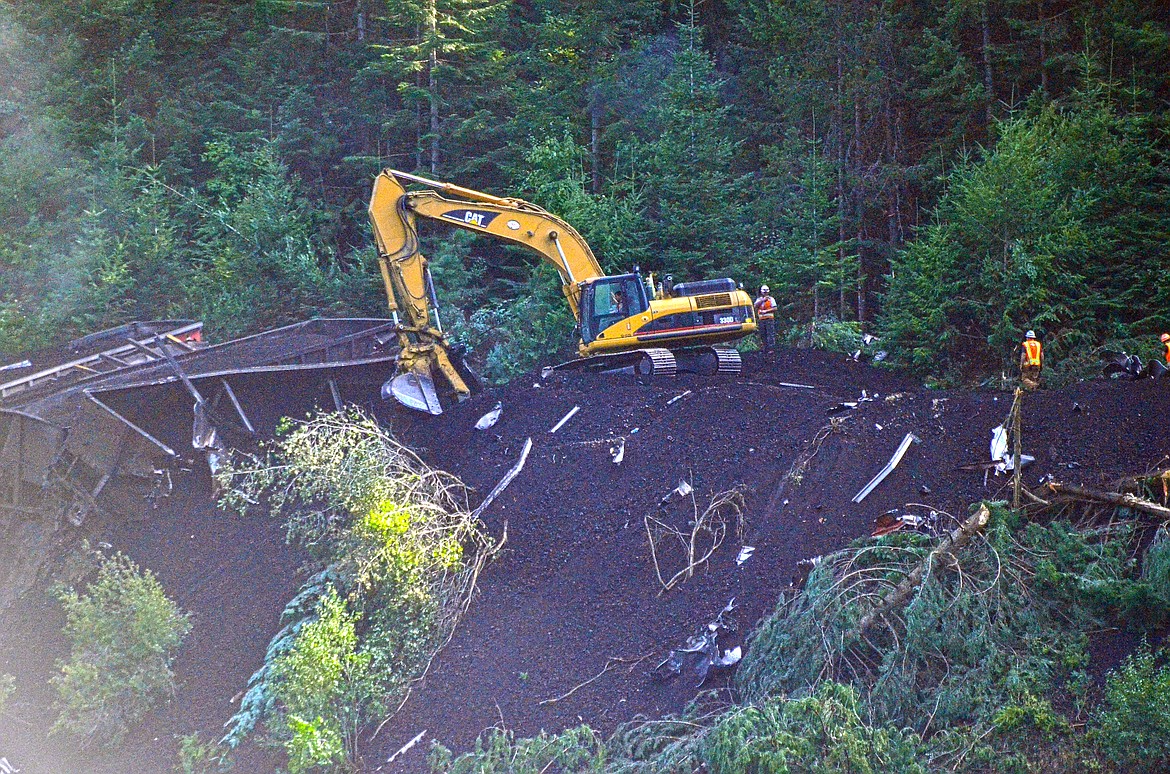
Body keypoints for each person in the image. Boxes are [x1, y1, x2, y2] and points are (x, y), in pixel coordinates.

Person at [754, 285, 777, 351]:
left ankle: (771, 349)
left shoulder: (771, 299)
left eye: (766, 291)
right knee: (763, 334)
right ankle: (765, 348)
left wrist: (765, 311)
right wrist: (762, 300)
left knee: (770, 333)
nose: (765, 293)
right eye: (764, 291)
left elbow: (775, 308)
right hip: (761, 320)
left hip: (769, 319)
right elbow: (755, 306)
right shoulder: (759, 299)